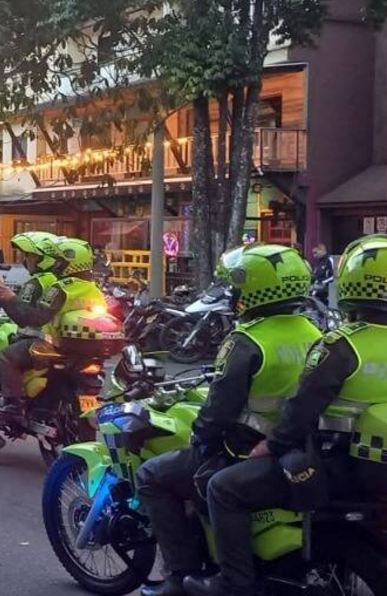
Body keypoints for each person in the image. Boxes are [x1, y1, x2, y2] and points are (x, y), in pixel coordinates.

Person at [192, 235, 387, 596]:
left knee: (222, 487)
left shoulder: (341, 346)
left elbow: (302, 408)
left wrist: (272, 445)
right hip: (379, 462)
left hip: (331, 462)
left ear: (351, 280)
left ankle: (234, 583)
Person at [136, 244, 320, 596]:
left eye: (237, 287)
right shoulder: (315, 333)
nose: (233, 294)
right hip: (297, 445)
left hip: (244, 447)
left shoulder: (247, 341)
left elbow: (219, 409)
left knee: (152, 476)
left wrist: (200, 436)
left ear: (255, 289)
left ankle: (181, 575)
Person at [0, 237, 108, 464]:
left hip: (50, 346)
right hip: (84, 353)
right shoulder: (94, 289)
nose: (54, 263)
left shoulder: (60, 287)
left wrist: (8, 297)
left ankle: (3, 418)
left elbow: (32, 318)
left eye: (59, 260)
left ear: (71, 263)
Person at [0, 231, 62, 463]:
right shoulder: (62, 282)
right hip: (61, 345)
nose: (25, 260)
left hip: (37, 342)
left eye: (29, 256)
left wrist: (6, 296)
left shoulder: (38, 282)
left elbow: (23, 317)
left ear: (43, 259)